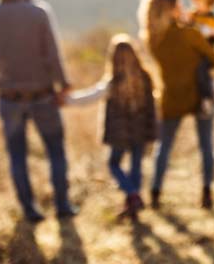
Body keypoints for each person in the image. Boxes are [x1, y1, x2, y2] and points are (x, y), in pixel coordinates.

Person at [0, 0, 77, 222]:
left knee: (17, 155)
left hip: (9, 98)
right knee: (55, 150)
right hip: (42, 95)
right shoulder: (38, 12)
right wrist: (63, 84)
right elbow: (52, 54)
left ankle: (30, 210)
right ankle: (62, 205)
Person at [138, 0, 214, 210]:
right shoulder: (189, 34)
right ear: (171, 9)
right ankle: (206, 193)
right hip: (200, 93)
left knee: (163, 147)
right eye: (179, 4)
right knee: (206, 145)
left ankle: (155, 192)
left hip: (171, 96)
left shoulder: (152, 39)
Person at [68, 34, 158, 221]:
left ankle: (132, 196)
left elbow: (90, 96)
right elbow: (152, 107)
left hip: (120, 133)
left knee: (114, 164)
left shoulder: (113, 82)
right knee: (135, 167)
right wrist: (152, 130)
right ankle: (133, 200)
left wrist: (67, 100)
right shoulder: (145, 77)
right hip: (140, 130)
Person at [185, 0, 214, 118]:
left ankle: (206, 99)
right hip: (193, 53)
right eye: (193, 0)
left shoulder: (211, 18)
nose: (194, 3)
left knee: (202, 73)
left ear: (208, 1)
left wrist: (194, 27)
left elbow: (208, 34)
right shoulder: (192, 15)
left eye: (197, 0)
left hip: (206, 54)